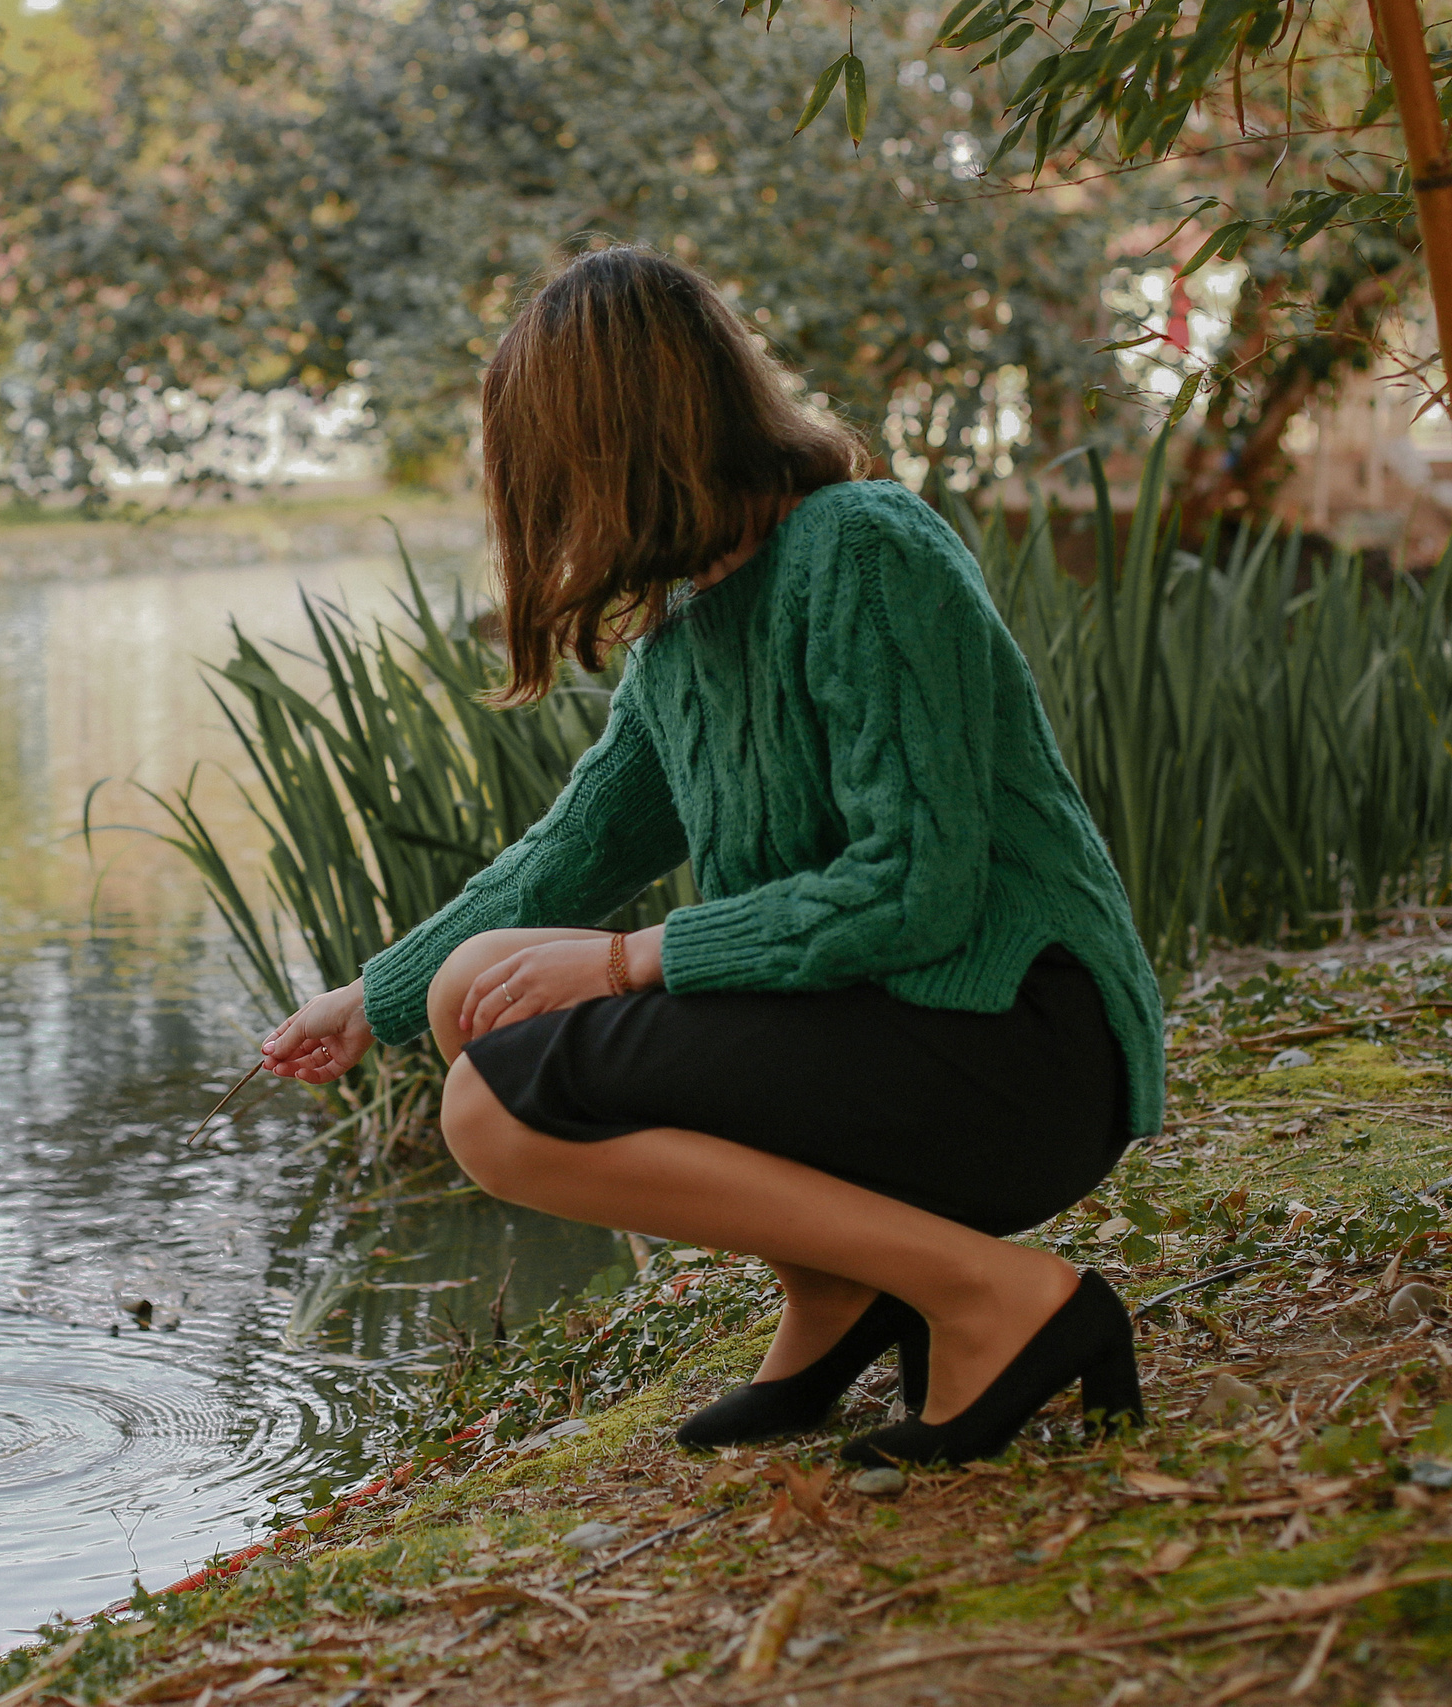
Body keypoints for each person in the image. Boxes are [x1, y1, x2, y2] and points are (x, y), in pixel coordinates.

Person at [257, 246, 1162, 1466]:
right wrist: (375, 997)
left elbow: (917, 891)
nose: (548, 516)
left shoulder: (862, 548)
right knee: (478, 988)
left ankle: (1001, 1300)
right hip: (889, 1029)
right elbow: (569, 850)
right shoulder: (685, 635)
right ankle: (840, 1293)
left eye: (549, 474)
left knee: (489, 1109)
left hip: (1019, 1042)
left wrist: (630, 962)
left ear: (623, 443)